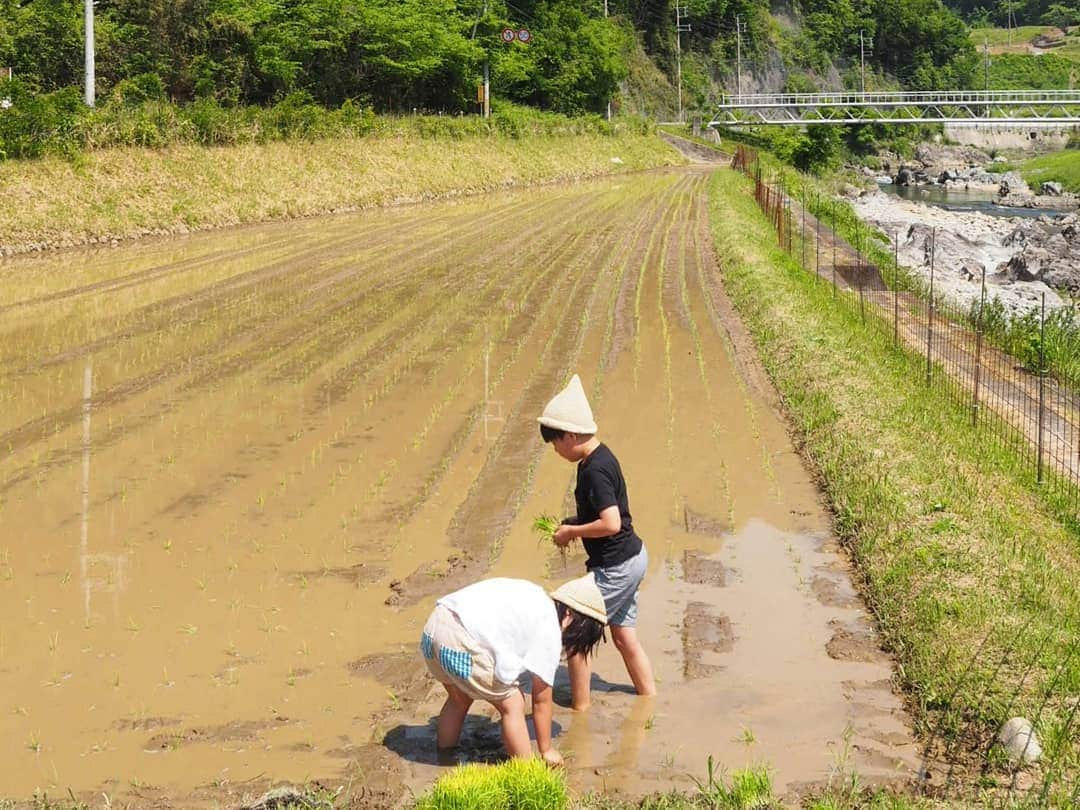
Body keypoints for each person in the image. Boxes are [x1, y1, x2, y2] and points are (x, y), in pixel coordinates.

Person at [537, 374, 656, 711]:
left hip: (617, 565)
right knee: (623, 635)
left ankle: (581, 711)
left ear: (572, 435)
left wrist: (572, 533)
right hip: (632, 557)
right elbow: (609, 515)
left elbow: (611, 523)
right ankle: (649, 701)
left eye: (557, 443)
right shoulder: (598, 458)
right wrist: (572, 523)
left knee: (575, 633)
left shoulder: (593, 470)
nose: (557, 450)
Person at [419, 574, 607, 765]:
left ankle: (444, 754)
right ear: (568, 617)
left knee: (459, 698)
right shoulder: (550, 628)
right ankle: (525, 769)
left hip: (434, 627)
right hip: (459, 640)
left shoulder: (535, 595)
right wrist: (546, 749)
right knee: (514, 703)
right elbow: (541, 700)